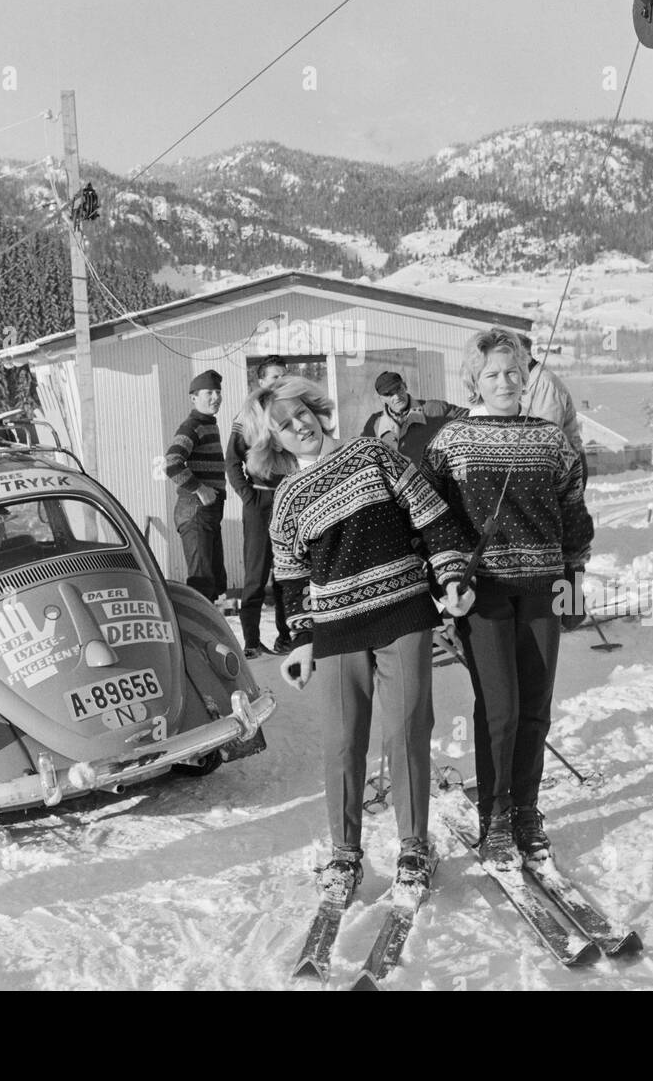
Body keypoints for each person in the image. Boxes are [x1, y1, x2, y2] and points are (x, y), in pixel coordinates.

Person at [244, 376, 475, 906]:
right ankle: (345, 854)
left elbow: (434, 521)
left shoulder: (375, 455)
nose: (299, 425)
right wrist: (301, 640)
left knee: (408, 731)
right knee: (343, 743)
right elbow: (292, 578)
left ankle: (414, 848)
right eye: (283, 425)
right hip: (338, 630)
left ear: (317, 410)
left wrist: (453, 578)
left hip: (403, 613)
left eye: (302, 412)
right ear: (272, 441)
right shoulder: (286, 499)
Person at [422, 327, 594, 871]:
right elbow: (432, 522)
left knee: (536, 708)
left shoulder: (551, 440)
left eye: (514, 371)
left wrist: (574, 583)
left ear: (527, 375)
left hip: (544, 589)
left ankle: (526, 810)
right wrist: (443, 587)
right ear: (474, 380)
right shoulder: (450, 443)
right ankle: (495, 818)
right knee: (500, 708)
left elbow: (573, 516)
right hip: (483, 595)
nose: (505, 381)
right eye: (493, 373)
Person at [224, 355, 292, 659]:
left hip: (289, 499)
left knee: (288, 572)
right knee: (256, 574)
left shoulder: (294, 410)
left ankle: (286, 637)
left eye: (283, 376)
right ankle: (251, 642)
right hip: (260, 500)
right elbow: (232, 459)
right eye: (273, 377)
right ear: (261, 382)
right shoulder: (248, 414)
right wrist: (247, 496)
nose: (279, 382)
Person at [163, 369, 228, 602]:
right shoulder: (192, 426)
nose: (215, 397)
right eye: (209, 392)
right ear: (193, 398)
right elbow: (172, 464)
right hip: (195, 511)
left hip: (208, 513)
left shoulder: (209, 424)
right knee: (202, 585)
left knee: (214, 583)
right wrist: (200, 489)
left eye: (218, 392)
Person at [516, 333, 588, 482]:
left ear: (525, 357)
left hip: (565, 469)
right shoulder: (524, 382)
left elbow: (547, 438)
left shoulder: (544, 383)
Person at [362, 369, 457, 464]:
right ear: (382, 399)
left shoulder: (434, 409)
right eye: (389, 394)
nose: (397, 397)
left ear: (405, 386)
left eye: (398, 389)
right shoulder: (375, 423)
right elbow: (364, 455)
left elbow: (468, 417)